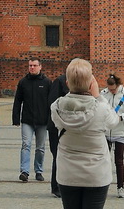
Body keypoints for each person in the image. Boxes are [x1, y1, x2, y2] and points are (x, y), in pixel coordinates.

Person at [51, 57, 120, 209]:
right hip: (96, 174)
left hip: (67, 174)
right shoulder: (101, 109)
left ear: (68, 83)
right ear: (90, 84)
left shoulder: (56, 107)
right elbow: (113, 121)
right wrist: (97, 96)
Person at [13, 56, 52, 182]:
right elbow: (18, 100)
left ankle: (39, 170)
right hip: (27, 120)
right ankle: (24, 171)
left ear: (40, 67)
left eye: (35, 65)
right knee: (26, 145)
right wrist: (16, 118)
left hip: (42, 121)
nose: (32, 67)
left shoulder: (47, 82)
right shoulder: (23, 82)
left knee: (40, 147)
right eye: (30, 65)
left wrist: (51, 120)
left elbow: (51, 102)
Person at [101, 73, 124, 199]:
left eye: (113, 89)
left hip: (120, 133)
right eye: (109, 89)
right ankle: (102, 186)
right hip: (105, 132)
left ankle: (120, 187)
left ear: (118, 85)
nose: (111, 91)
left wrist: (120, 117)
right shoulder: (103, 94)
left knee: (119, 161)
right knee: (103, 161)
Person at [48, 67, 70, 198]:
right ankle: (55, 187)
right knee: (57, 156)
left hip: (67, 126)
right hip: (56, 126)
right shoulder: (60, 81)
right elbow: (52, 103)